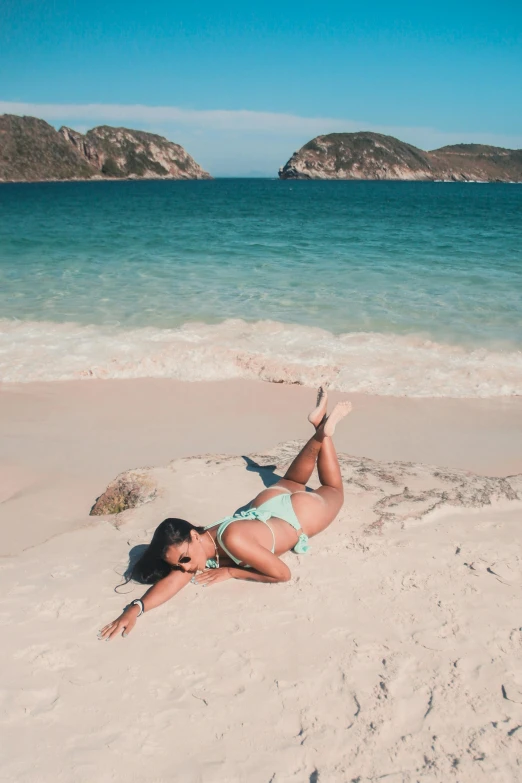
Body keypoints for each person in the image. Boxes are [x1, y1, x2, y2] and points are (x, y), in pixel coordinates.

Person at [98, 388, 351, 641]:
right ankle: (319, 425)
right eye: (178, 564)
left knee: (333, 488)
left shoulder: (231, 541)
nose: (184, 568)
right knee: (293, 479)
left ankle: (325, 430)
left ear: (194, 537)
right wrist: (135, 609)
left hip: (296, 516)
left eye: (184, 560)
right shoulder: (201, 543)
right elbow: (172, 583)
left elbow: (282, 574)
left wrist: (232, 572)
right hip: (263, 506)